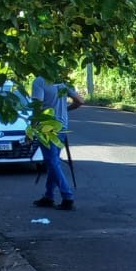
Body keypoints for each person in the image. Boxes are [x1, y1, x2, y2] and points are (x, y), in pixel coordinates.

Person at [30, 76, 84, 210]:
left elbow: (38, 105)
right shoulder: (62, 81)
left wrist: (33, 126)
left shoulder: (40, 81)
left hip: (47, 128)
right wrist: (66, 109)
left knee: (52, 162)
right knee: (53, 162)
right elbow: (79, 101)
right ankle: (49, 196)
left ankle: (67, 196)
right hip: (62, 127)